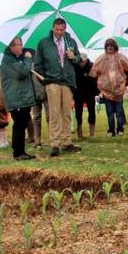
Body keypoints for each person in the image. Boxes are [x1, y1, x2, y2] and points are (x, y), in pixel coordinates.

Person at [34, 18, 82, 157]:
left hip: (67, 82)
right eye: (57, 30)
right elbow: (37, 65)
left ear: (65, 29)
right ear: (53, 28)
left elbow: (79, 60)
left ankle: (67, 142)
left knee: (66, 113)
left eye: (62, 30)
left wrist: (74, 57)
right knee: (54, 114)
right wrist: (45, 81)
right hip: (52, 81)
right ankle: (55, 144)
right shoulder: (43, 43)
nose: (60, 32)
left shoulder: (71, 42)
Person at [0, 37, 36, 161]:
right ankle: (18, 152)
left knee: (23, 123)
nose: (21, 47)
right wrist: (27, 58)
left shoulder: (15, 59)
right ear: (11, 46)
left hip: (22, 98)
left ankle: (20, 151)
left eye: (21, 44)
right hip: (17, 99)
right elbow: (23, 72)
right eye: (18, 45)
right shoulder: (8, 60)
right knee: (20, 125)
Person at [90, 38, 128, 137]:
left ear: (115, 48)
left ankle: (120, 129)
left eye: (111, 48)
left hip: (119, 90)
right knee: (109, 111)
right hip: (106, 91)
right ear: (105, 48)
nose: (110, 50)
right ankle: (111, 130)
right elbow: (95, 73)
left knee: (119, 110)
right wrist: (99, 87)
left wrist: (126, 83)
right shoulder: (101, 59)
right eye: (108, 48)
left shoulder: (121, 58)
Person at [74, 52, 98, 140]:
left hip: (90, 92)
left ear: (86, 60)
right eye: (79, 61)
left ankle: (92, 132)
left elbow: (96, 80)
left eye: (82, 61)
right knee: (78, 112)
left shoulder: (92, 67)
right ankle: (79, 132)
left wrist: (96, 92)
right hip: (78, 92)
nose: (81, 63)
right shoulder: (75, 67)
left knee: (91, 111)